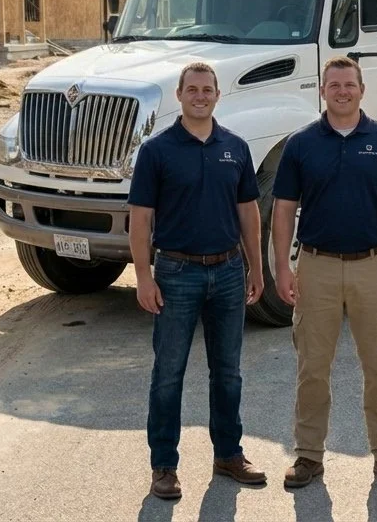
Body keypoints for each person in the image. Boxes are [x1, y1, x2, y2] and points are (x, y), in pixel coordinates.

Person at [271, 55, 377, 489]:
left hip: (374, 266)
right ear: (322, 90)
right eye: (333, 84)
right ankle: (308, 456)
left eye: (349, 84)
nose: (342, 91)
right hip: (315, 266)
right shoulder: (300, 144)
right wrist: (283, 266)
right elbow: (282, 210)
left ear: (362, 89)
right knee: (313, 368)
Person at [127, 61, 267, 500]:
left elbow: (248, 213)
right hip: (176, 274)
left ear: (217, 96)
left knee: (228, 373)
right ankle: (163, 466)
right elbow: (139, 220)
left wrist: (256, 268)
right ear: (180, 95)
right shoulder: (157, 151)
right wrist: (144, 276)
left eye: (207, 89)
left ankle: (228, 454)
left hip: (227, 272)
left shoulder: (236, 148)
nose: (200, 96)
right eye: (192, 89)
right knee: (168, 374)